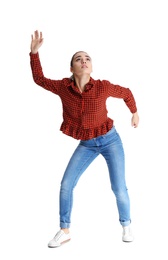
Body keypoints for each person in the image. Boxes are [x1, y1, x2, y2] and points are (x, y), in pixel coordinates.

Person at [30, 30, 139, 248]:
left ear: (92, 66)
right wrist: (34, 54)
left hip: (110, 141)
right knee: (66, 185)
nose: (84, 61)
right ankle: (64, 230)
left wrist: (134, 112)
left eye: (87, 58)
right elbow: (39, 79)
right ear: (72, 68)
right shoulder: (63, 87)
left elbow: (126, 92)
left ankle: (126, 225)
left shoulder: (102, 86)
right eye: (79, 59)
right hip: (87, 144)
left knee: (118, 187)